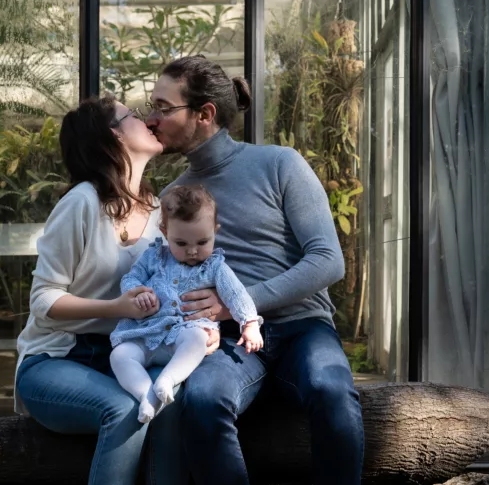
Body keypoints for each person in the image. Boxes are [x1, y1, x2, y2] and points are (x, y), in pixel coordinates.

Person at [144, 55, 365, 485]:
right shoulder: (172, 197)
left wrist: (235, 302)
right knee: (202, 400)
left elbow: (327, 260)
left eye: (163, 107)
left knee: (332, 389)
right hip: (226, 342)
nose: (152, 119)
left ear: (204, 114)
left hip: (303, 328)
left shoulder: (280, 164)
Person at [13, 95, 169, 485]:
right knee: (125, 407)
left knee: (174, 401)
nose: (147, 119)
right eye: (133, 115)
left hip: (121, 358)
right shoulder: (81, 202)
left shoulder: (157, 208)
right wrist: (116, 307)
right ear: (113, 137)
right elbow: (43, 300)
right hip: (55, 358)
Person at [109, 185, 263, 424]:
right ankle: (145, 395)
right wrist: (136, 293)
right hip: (146, 331)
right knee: (119, 356)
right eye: (180, 243)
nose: (192, 251)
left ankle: (167, 380)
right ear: (164, 232)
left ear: (215, 231)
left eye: (202, 241)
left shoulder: (215, 266)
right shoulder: (153, 256)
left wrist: (249, 323)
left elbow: (236, 294)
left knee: (197, 341)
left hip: (185, 330)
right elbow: (131, 277)